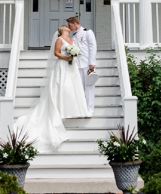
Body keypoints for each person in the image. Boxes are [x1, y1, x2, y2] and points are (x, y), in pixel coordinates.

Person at [12, 22, 90, 152]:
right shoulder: (59, 39)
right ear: (62, 29)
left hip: (72, 67)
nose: (68, 27)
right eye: (66, 26)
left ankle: (73, 109)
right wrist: (66, 58)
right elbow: (56, 53)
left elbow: (77, 50)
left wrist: (74, 55)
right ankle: (59, 109)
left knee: (71, 88)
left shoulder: (72, 39)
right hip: (62, 65)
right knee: (61, 86)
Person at [67, 14, 98, 114]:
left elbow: (92, 47)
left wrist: (92, 63)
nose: (69, 27)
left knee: (89, 87)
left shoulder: (88, 32)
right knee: (79, 87)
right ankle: (81, 108)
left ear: (75, 24)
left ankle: (90, 109)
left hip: (87, 64)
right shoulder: (74, 36)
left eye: (70, 25)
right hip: (78, 64)